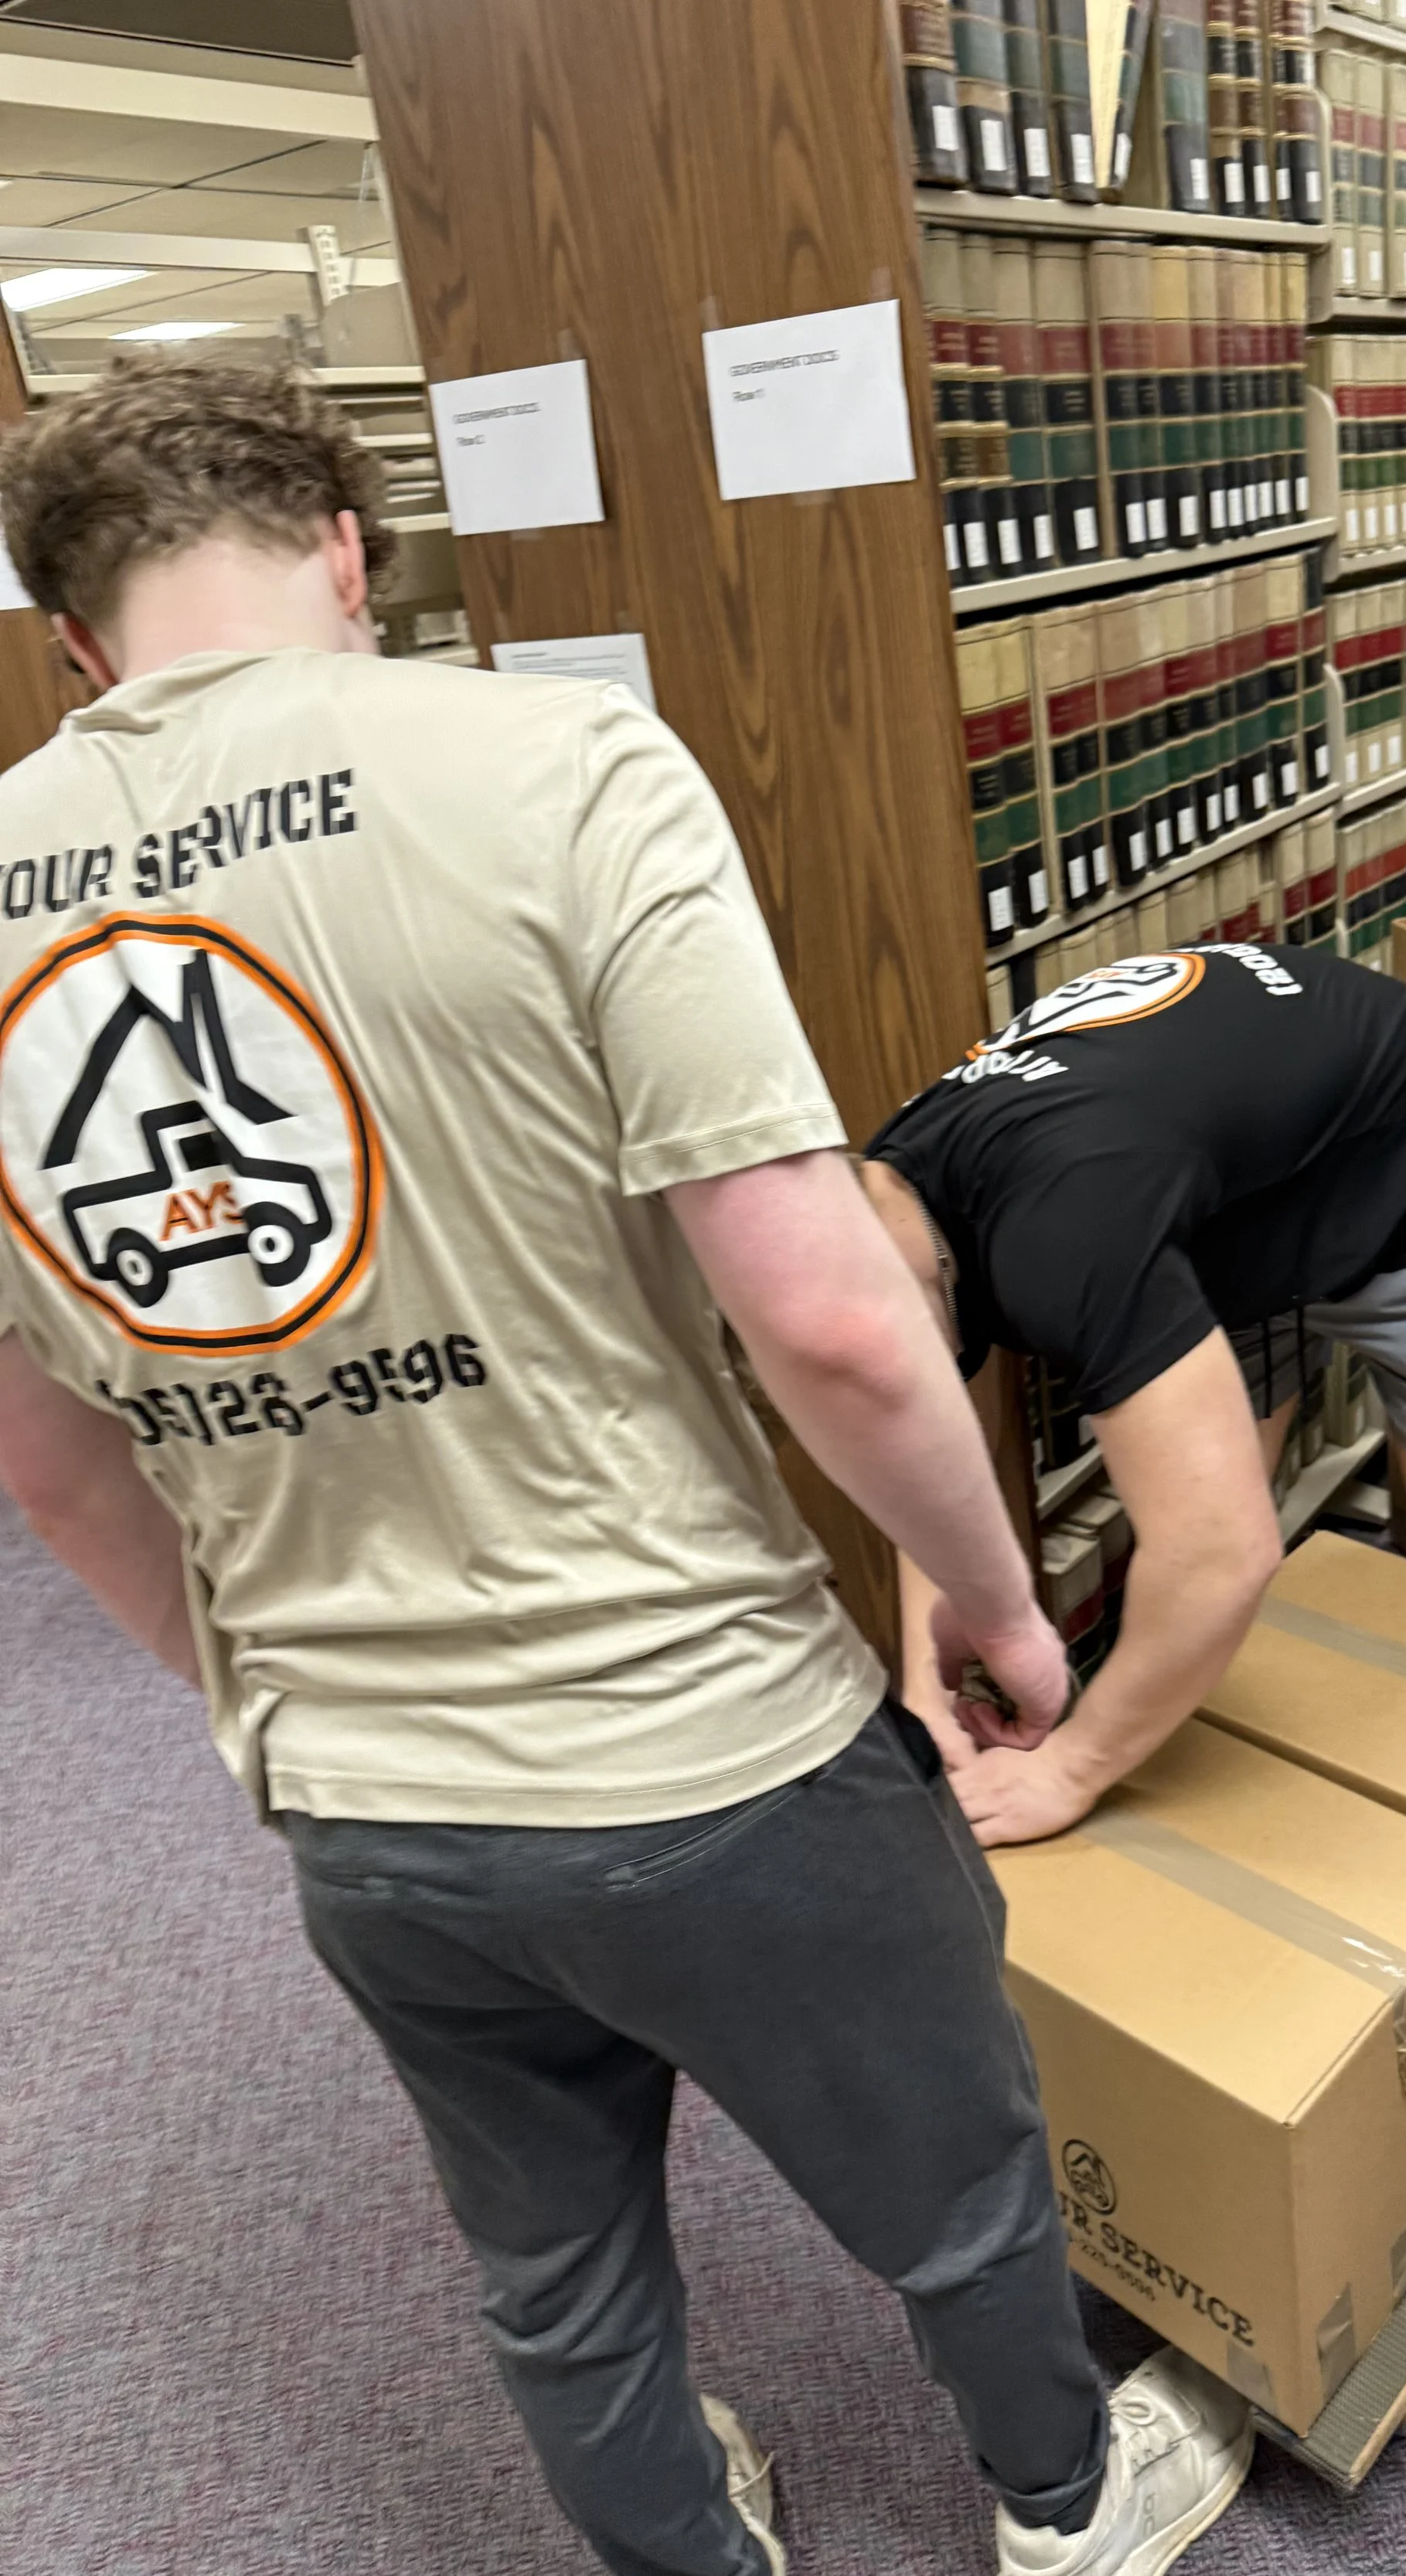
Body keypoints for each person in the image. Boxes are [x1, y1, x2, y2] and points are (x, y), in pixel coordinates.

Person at [0, 359, 1255, 2576]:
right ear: (351, 555)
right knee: (953, 2185)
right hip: (702, 1745)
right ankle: (1069, 2508)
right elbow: (835, 1315)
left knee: (552, 2268)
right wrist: (984, 1597)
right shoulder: (553, 762)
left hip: (366, 1794)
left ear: (75, 643)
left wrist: (279, 1699)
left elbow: (54, 1468)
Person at [861, 940, 1406, 1850]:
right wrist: (925, 1689)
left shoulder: (1061, 1231)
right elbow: (917, 1447)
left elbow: (1220, 1557)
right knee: (1197, 1541)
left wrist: (1070, 1770)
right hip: (1222, 1225)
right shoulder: (880, 1197)